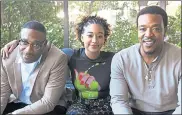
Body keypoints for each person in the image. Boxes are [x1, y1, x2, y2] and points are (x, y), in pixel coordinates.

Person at [1, 16, 114, 115]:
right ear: (82, 37)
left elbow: (127, 57)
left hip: (103, 102)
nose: (94, 40)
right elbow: (46, 48)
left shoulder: (114, 58)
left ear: (105, 38)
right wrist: (18, 42)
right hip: (80, 102)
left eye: (100, 36)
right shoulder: (71, 55)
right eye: (90, 35)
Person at [110, 5, 181, 115]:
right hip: (134, 112)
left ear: (165, 31)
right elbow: (119, 101)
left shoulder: (179, 57)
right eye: (143, 29)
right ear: (137, 31)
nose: (148, 34)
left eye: (156, 29)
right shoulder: (121, 59)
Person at [1, 21, 68, 114]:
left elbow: (48, 102)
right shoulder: (7, 56)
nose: (28, 50)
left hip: (48, 106)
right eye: (24, 42)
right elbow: (2, 94)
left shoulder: (58, 58)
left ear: (44, 45)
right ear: (19, 41)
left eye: (36, 44)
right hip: (17, 101)